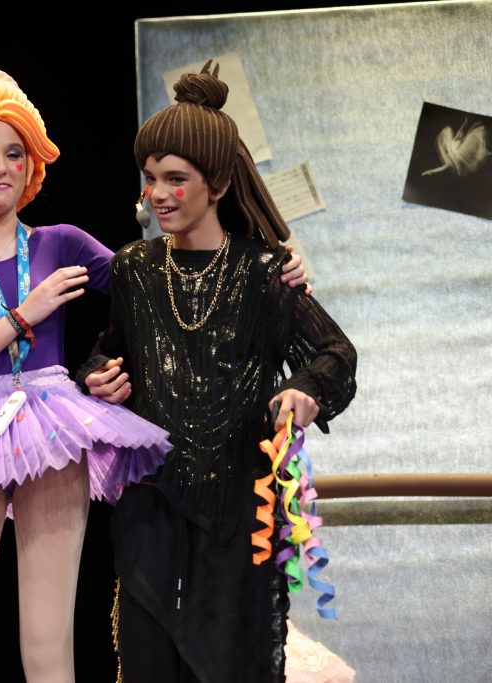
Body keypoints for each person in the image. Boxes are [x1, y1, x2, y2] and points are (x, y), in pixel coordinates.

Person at [0, 68, 308, 683]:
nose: (0, 167)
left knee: (49, 645)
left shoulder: (61, 243)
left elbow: (161, 284)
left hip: (50, 429)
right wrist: (22, 316)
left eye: (14, 153)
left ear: (32, 165)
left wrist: (271, 258)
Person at [80, 62, 357, 682]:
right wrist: (97, 375)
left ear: (219, 183)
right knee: (151, 661)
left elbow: (336, 353)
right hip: (151, 506)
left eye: (176, 179)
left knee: (235, 665)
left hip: (241, 507)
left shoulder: (264, 272)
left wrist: (304, 390)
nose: (158, 193)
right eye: (150, 177)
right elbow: (107, 350)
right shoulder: (133, 269)